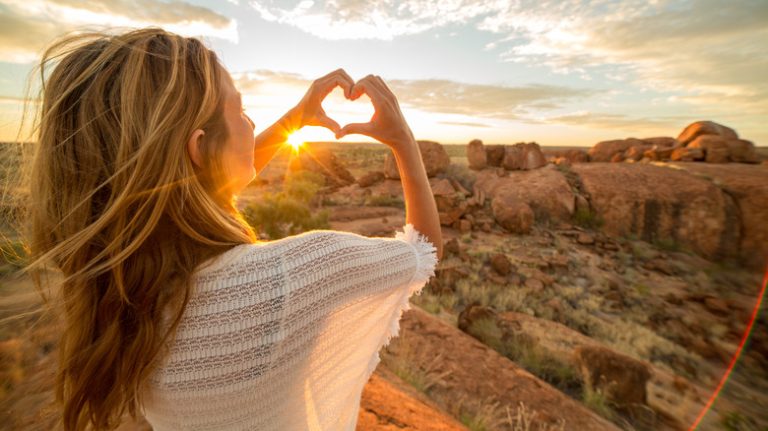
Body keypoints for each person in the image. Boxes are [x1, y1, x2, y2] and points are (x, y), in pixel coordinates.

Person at [18, 27, 442, 430]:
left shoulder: (125, 289)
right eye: (239, 110)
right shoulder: (296, 272)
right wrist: (402, 140)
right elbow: (424, 251)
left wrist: (296, 118)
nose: (252, 123)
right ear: (199, 147)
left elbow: (193, 184)